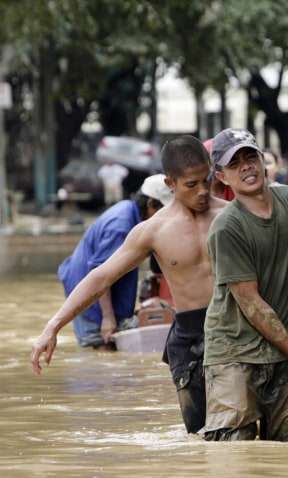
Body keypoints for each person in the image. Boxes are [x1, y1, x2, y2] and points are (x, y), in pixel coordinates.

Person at [32, 135, 228, 434]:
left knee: (242, 430)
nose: (202, 191)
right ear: (170, 184)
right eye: (191, 184)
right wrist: (54, 325)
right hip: (190, 338)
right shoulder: (152, 231)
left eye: (207, 180)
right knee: (202, 435)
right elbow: (101, 276)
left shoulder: (232, 216)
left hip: (233, 330)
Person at [204, 128, 288, 442]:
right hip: (233, 352)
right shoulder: (227, 227)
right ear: (222, 177)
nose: (246, 166)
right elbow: (252, 304)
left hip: (284, 347)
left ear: (263, 160)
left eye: (251, 156)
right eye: (234, 164)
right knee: (235, 451)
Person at [52, 174, 173, 350]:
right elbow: (100, 270)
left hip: (96, 284)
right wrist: (108, 318)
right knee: (103, 347)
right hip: (88, 290)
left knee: (113, 352)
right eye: (164, 209)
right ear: (150, 205)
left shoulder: (133, 214)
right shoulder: (121, 225)